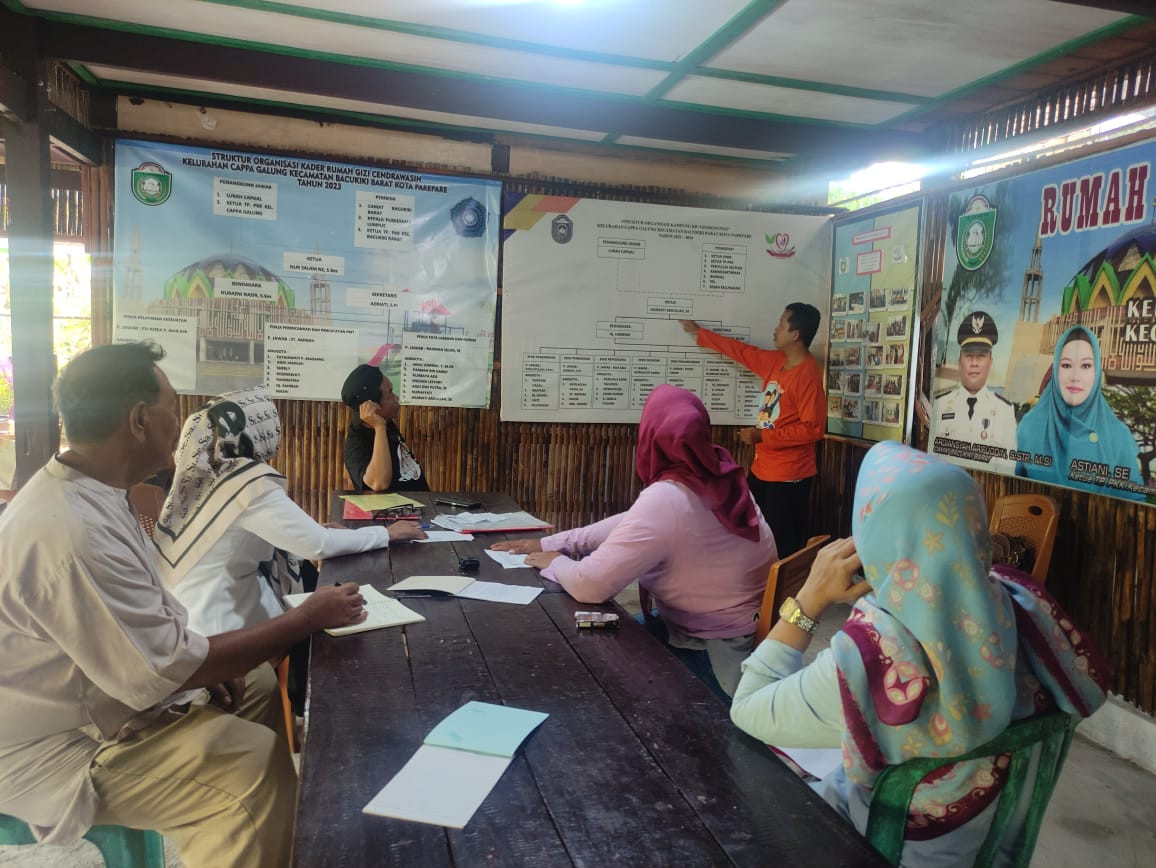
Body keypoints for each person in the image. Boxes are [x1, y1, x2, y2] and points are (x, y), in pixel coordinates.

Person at [0, 343, 367, 868]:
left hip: (106, 699)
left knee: (256, 683)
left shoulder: (97, 490)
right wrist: (304, 618)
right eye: (173, 409)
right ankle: (247, 819)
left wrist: (190, 672)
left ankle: (268, 841)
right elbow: (160, 669)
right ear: (139, 421)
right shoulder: (73, 531)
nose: (183, 424)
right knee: (248, 771)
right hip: (55, 744)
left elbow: (147, 636)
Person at [730, 441, 1109, 866]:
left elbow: (747, 707)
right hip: (992, 848)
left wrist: (809, 599)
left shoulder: (875, 652)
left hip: (875, 847)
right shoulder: (1027, 608)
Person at [492, 385, 776, 698]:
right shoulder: (719, 474)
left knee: (585, 669)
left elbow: (590, 587)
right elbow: (635, 522)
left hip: (710, 655)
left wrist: (555, 562)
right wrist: (555, 543)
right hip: (739, 637)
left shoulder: (668, 497)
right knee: (594, 635)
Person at [155, 387, 426, 706]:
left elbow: (246, 540)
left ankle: (296, 711)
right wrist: (387, 534)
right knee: (332, 629)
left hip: (189, 623)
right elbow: (318, 545)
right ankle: (306, 710)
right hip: (225, 635)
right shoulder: (244, 482)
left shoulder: (201, 477)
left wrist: (314, 533)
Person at [680, 304, 825, 557]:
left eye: (781, 324)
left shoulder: (808, 375)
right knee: (754, 537)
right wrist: (701, 334)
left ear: (795, 334)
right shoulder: (776, 362)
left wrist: (762, 436)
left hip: (789, 477)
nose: (775, 329)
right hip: (762, 470)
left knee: (781, 546)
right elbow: (742, 352)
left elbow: (813, 429)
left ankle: (780, 584)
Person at [1016, 325, 1146, 500]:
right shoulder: (1030, 426)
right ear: (1056, 371)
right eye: (1066, 365)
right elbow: (1015, 489)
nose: (1075, 376)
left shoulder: (1118, 435)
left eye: (1085, 365)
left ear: (1096, 372)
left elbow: (1134, 504)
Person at [931, 310, 1017, 473]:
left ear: (990, 362)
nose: (974, 363)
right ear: (959, 362)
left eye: (981, 356)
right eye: (969, 355)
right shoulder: (940, 405)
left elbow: (1007, 470)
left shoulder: (1005, 411)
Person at [341, 363, 429, 492]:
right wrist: (379, 428)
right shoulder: (357, 443)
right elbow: (379, 483)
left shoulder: (387, 422)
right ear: (372, 406)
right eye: (390, 394)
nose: (396, 398)